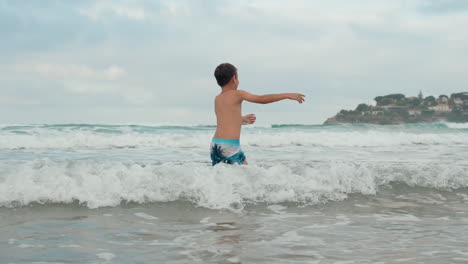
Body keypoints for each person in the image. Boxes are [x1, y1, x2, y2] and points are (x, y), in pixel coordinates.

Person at [211, 63, 305, 166]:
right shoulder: (238, 93)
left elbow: (225, 120)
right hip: (230, 146)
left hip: (215, 144)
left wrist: (241, 119)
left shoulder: (217, 98)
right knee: (247, 176)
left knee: (224, 177)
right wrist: (287, 95)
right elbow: (261, 99)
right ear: (234, 78)